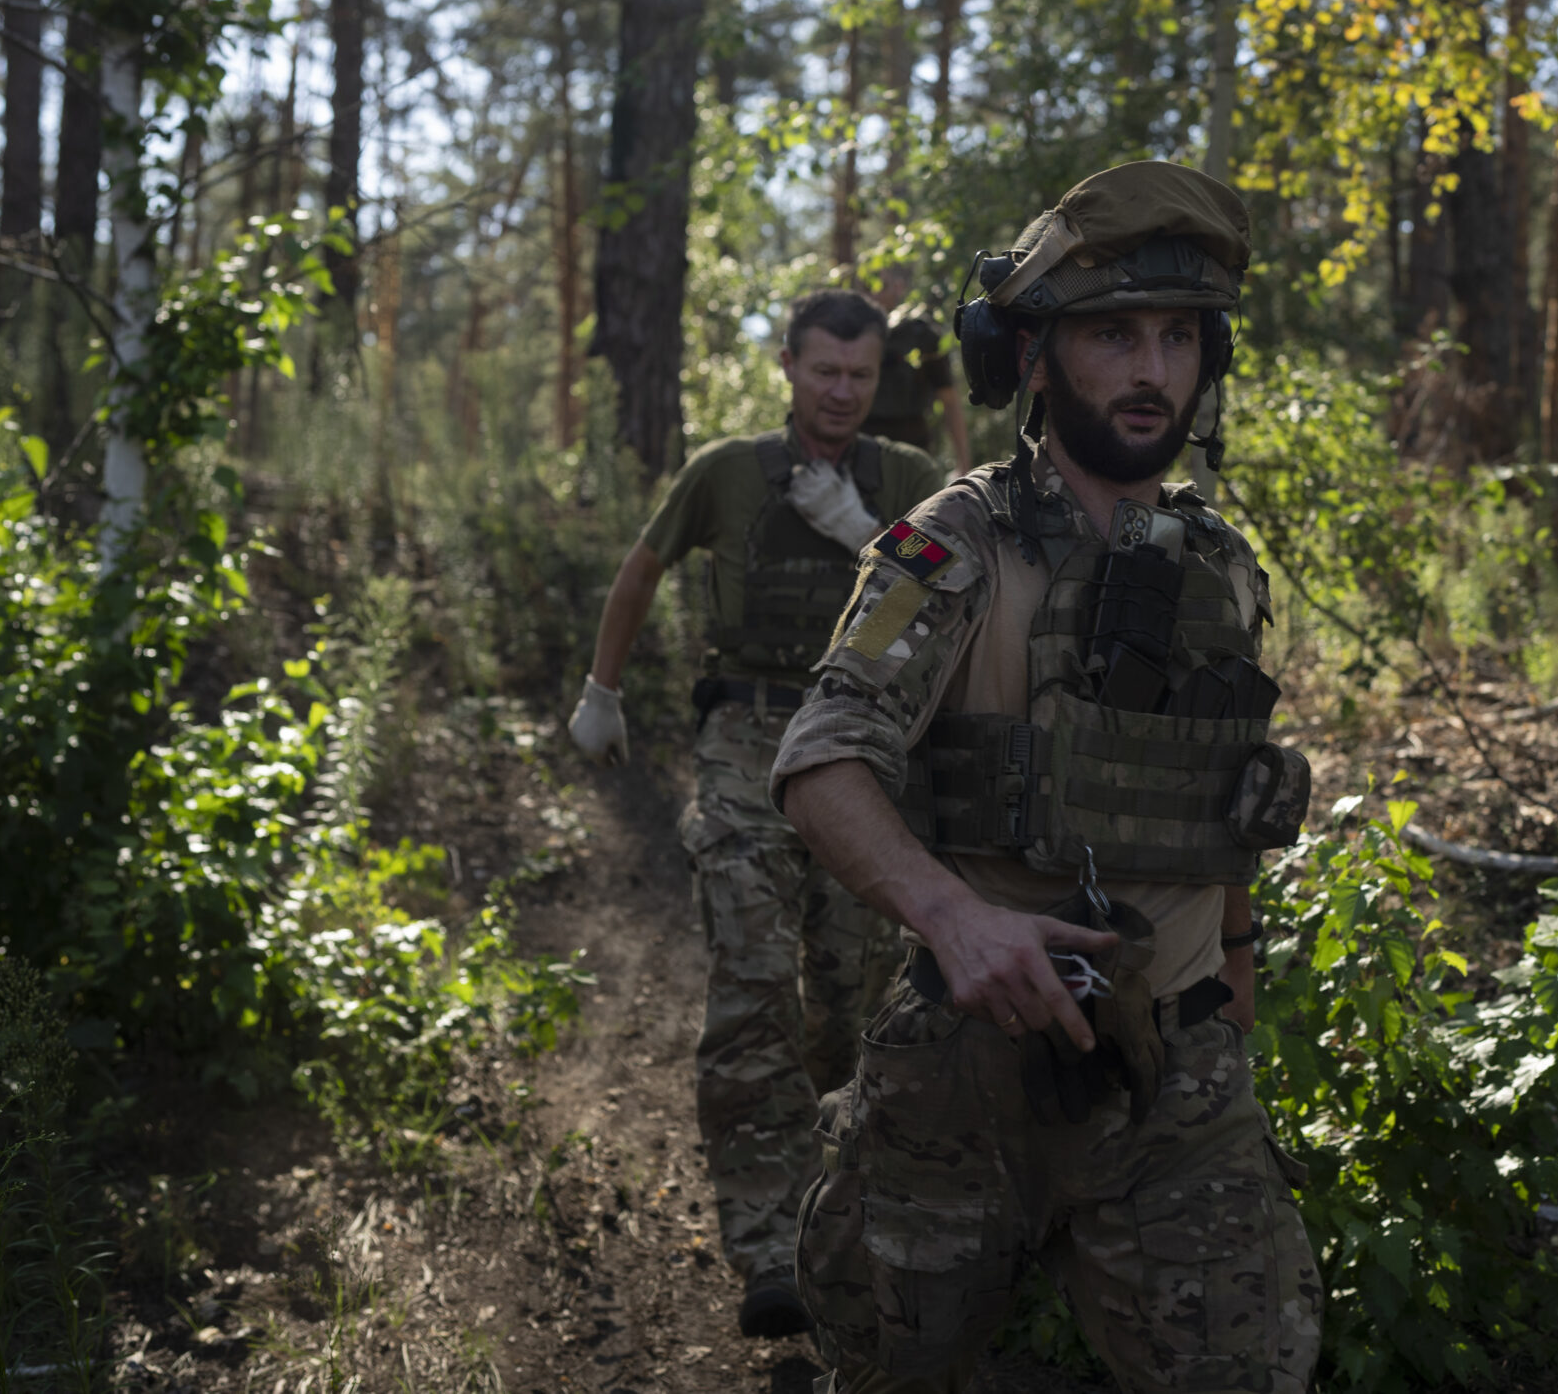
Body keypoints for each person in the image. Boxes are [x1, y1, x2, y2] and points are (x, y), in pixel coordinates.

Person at [772, 162, 1323, 1393]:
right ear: (1030, 357)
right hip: (966, 1066)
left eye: (1178, 337)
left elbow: (1214, 814)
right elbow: (821, 760)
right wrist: (956, 919)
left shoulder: (1220, 569)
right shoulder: (951, 545)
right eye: (1113, 334)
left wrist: (1230, 985)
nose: (1150, 369)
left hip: (1174, 1078)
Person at [567, 288, 949, 1339]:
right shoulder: (727, 473)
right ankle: (765, 1246)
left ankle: (827, 1195)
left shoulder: (910, 481)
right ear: (786, 366)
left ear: (878, 382)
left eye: (858, 376)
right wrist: (601, 691)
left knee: (845, 993)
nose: (838, 392)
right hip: (744, 733)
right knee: (749, 981)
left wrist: (870, 538)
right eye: (822, 371)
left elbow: (953, 594)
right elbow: (643, 567)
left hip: (861, 742)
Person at [867, 270, 974, 471]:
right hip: (862, 459)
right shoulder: (850, 337)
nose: (873, 296)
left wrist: (964, 465)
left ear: (898, 287)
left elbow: (949, 401)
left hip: (913, 457)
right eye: (867, 288)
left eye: (881, 287)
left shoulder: (921, 335)